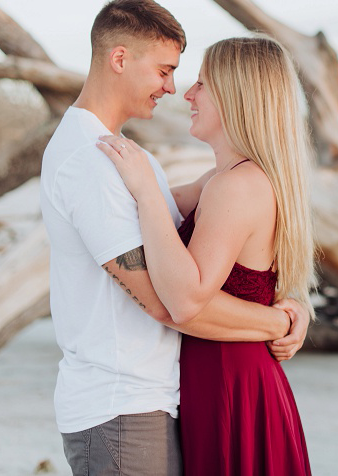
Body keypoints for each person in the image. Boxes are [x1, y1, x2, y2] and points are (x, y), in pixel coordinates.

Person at [39, 0, 308, 476]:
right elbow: (172, 302)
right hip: (122, 402)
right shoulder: (92, 161)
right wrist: (278, 323)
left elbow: (192, 237)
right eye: (166, 71)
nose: (177, 89)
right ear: (119, 59)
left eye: (195, 80)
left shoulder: (133, 161)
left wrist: (291, 310)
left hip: (165, 396)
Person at [97, 35, 316, 476]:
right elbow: (152, 210)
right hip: (224, 376)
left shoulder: (236, 186)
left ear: (238, 95)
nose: (188, 94)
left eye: (202, 83)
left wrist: (144, 189)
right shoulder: (223, 178)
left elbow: (185, 298)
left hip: (230, 385)